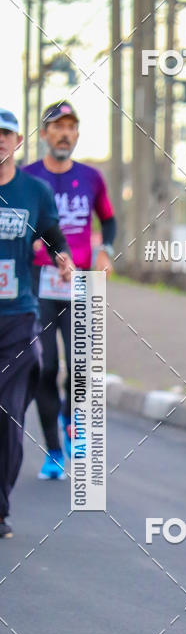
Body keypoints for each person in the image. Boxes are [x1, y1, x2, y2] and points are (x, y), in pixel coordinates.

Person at [23, 101, 116, 479]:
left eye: (71, 127)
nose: (64, 133)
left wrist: (105, 252)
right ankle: (55, 452)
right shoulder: (26, 178)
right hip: (39, 284)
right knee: (45, 367)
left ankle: (71, 417)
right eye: (56, 127)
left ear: (77, 134)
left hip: (80, 283)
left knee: (81, 367)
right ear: (44, 134)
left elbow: (108, 221)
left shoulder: (92, 178)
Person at [0, 108, 73, 538]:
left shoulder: (34, 191)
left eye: (6, 134)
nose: (0, 141)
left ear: (17, 141)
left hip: (17, 318)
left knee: (8, 414)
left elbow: (52, 236)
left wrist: (63, 260)